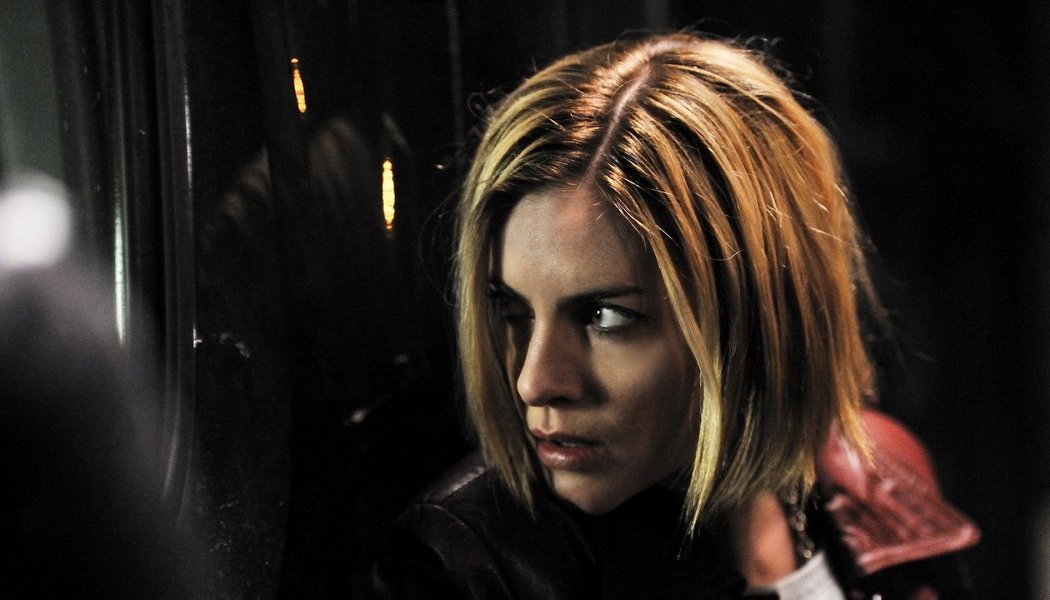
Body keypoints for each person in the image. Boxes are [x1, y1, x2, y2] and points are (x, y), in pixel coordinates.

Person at [371, 32, 979, 599]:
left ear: (754, 316)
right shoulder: (470, 564)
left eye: (605, 316)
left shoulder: (880, 470)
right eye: (513, 310)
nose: (535, 381)